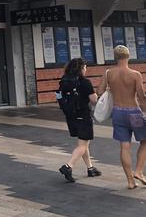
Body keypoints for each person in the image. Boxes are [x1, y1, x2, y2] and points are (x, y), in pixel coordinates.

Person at [98, 45, 146, 189]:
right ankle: (138, 171)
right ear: (128, 56)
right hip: (134, 112)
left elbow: (100, 91)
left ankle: (130, 181)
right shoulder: (135, 74)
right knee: (145, 141)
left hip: (118, 113)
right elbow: (141, 97)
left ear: (115, 57)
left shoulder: (108, 73)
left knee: (124, 146)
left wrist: (110, 88)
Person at [57, 57, 101, 182]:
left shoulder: (65, 81)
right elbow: (93, 100)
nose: (86, 69)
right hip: (83, 115)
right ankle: (68, 166)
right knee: (82, 145)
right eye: (85, 67)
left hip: (71, 116)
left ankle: (90, 168)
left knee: (83, 143)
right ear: (81, 68)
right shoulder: (84, 82)